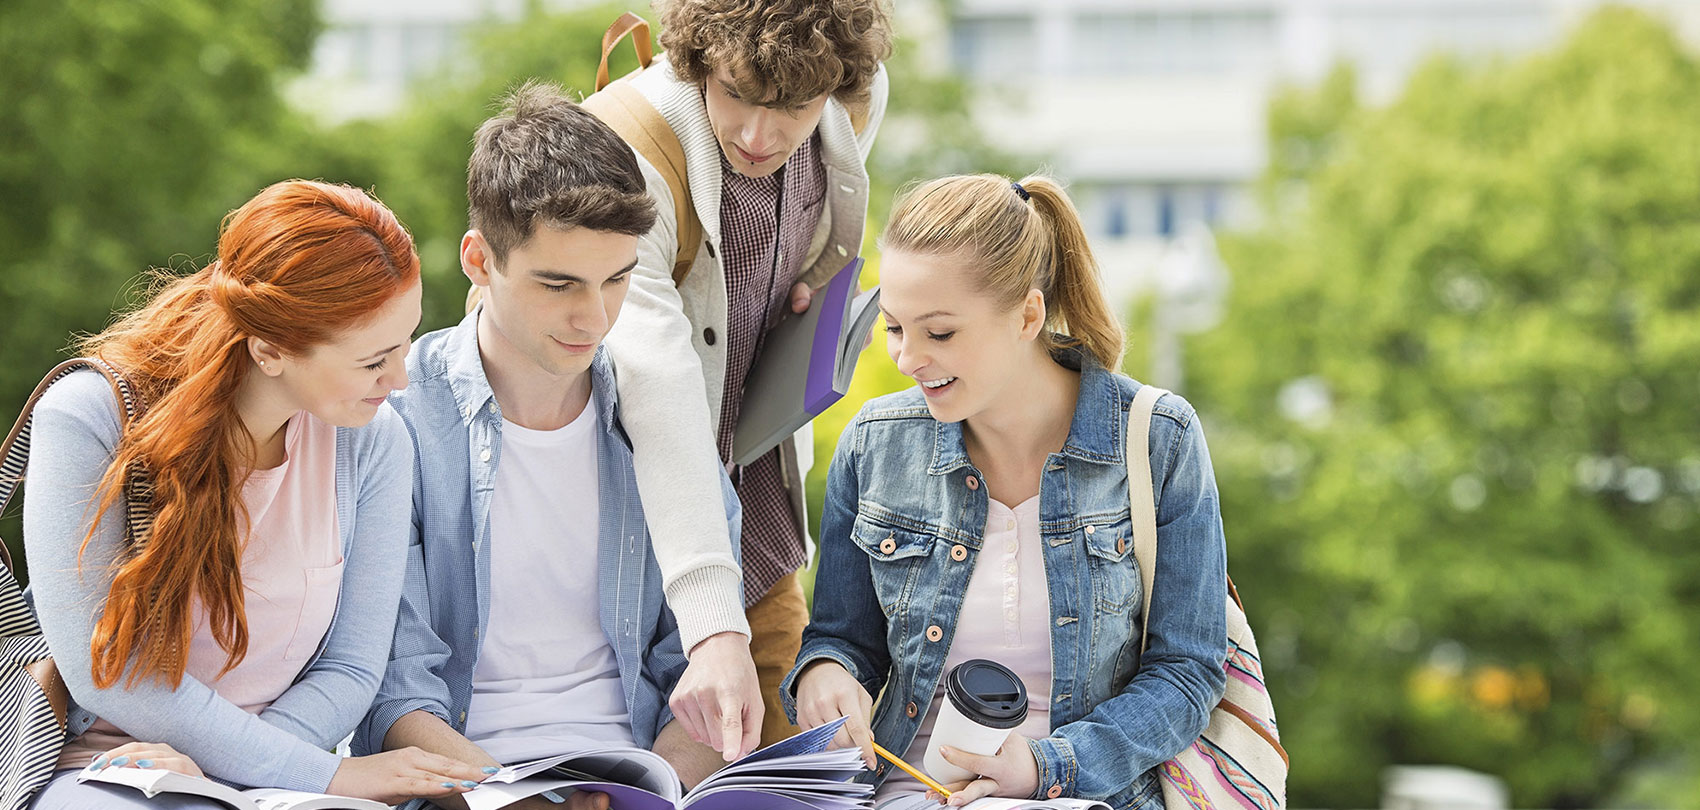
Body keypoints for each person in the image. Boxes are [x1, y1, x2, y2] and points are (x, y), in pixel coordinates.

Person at [24, 180, 489, 809]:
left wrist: (239, 770)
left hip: (279, 773)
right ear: (270, 349)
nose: (400, 378)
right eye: (373, 360)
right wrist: (326, 777)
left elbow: (350, 669)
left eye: (406, 342)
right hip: (110, 767)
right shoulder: (91, 417)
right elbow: (103, 670)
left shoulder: (373, 441)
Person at [784, 174, 1231, 809]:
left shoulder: (1159, 439)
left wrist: (1047, 766)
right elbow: (841, 637)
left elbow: (1187, 673)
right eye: (892, 327)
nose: (908, 358)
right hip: (909, 793)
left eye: (939, 333)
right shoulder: (875, 443)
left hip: (1085, 796)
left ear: (1027, 314)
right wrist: (826, 672)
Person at [353, 82, 733, 810]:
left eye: (617, 280)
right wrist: (513, 801)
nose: (593, 318)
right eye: (558, 283)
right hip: (460, 787)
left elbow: (701, 673)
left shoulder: (664, 423)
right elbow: (391, 689)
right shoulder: (394, 421)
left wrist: (661, 787)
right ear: (477, 259)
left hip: (640, 781)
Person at [599, 0, 894, 754]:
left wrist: (805, 276)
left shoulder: (855, 100)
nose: (759, 136)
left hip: (755, 506)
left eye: (794, 106)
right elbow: (656, 387)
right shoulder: (625, 152)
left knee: (798, 770)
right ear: (697, 62)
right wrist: (712, 624)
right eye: (733, 94)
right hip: (624, 518)